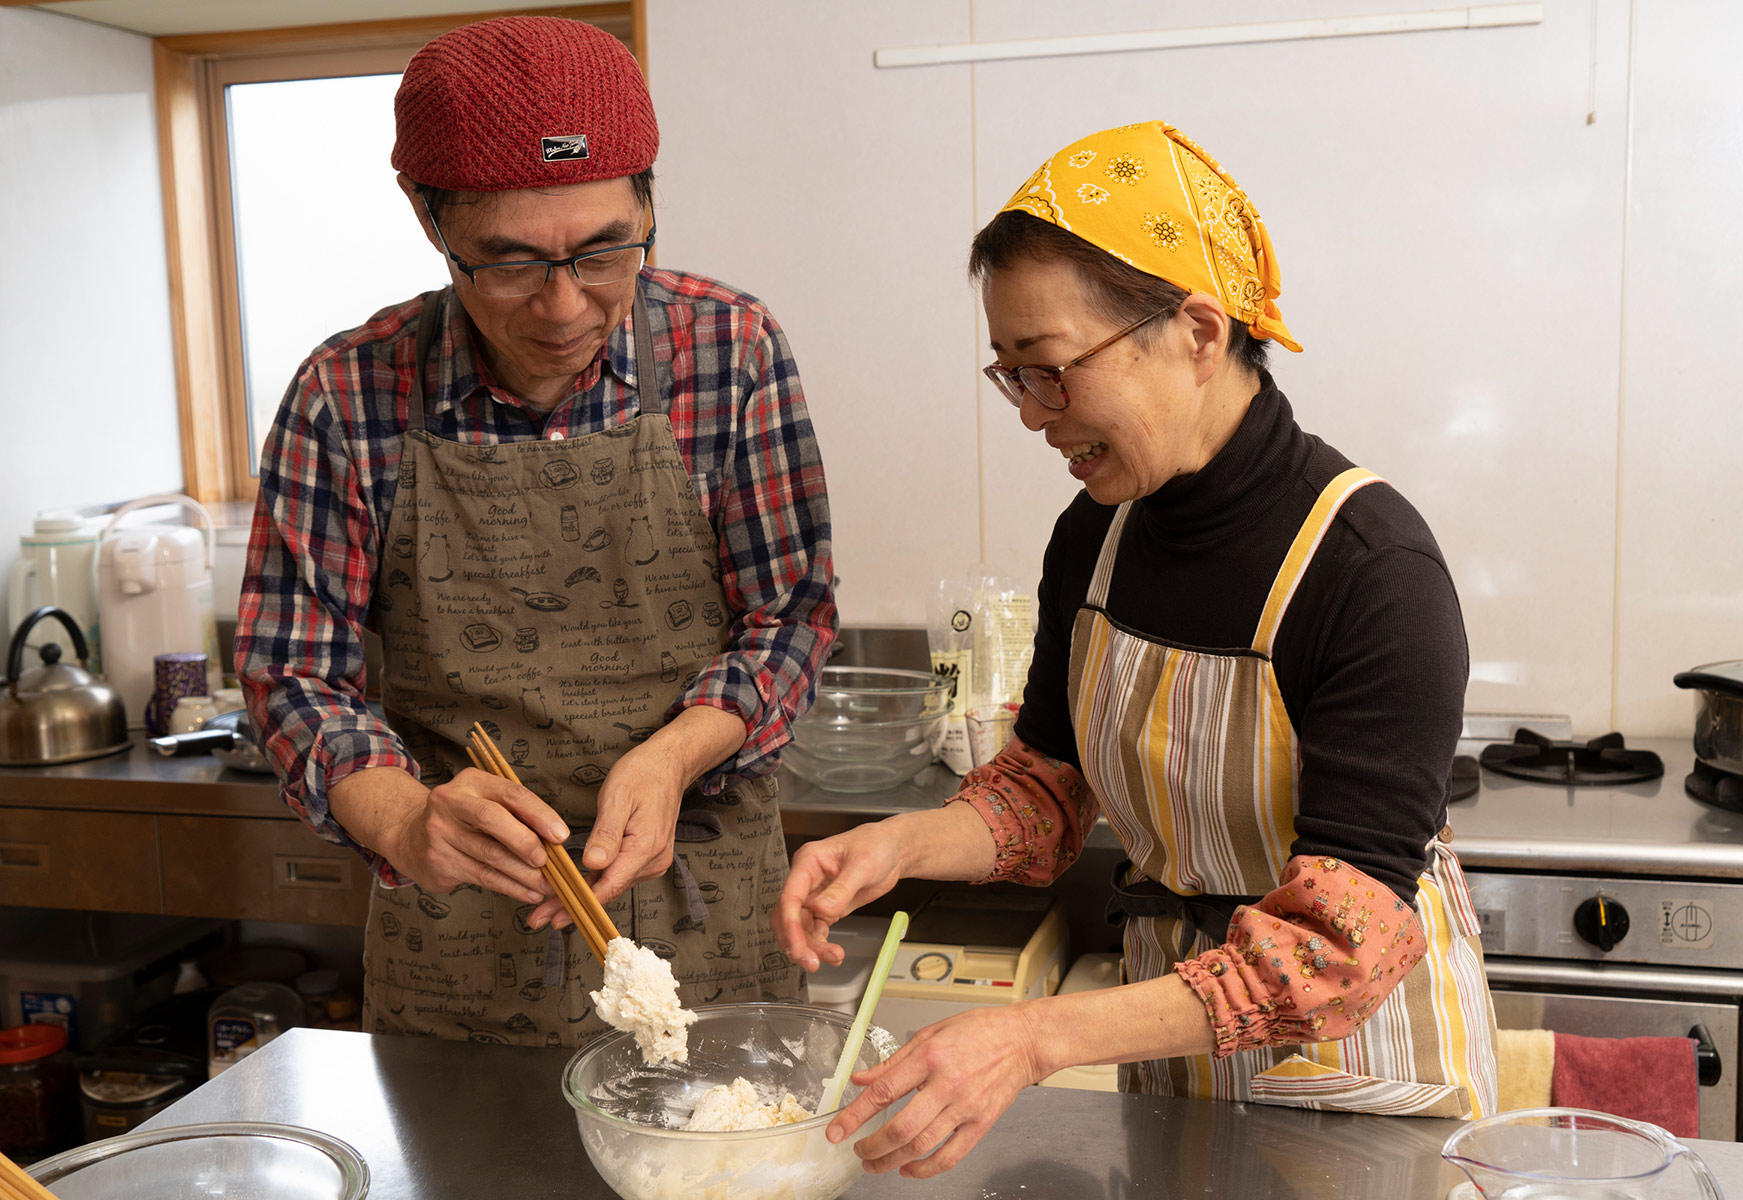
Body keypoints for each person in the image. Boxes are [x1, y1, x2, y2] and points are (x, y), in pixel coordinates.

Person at [774, 120, 1496, 1178]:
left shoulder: (1368, 567)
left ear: (1199, 331)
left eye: (1053, 370)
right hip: (1173, 1061)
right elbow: (1046, 794)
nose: (1032, 416)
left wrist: (1032, 1039)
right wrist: (899, 846)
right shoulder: (1099, 536)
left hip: (1359, 1086)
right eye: (1010, 374)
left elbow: (1333, 953)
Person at [237, 16, 835, 1045]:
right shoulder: (347, 394)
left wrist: (671, 759)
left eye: (607, 251)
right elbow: (294, 677)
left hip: (711, 913)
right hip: (461, 934)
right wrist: (409, 820)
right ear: (431, 223)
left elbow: (789, 618)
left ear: (651, 200)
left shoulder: (729, 351)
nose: (564, 306)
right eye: (509, 264)